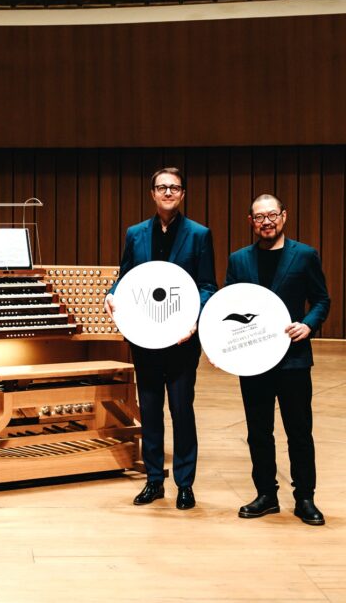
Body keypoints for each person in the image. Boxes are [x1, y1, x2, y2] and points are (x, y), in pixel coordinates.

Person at [105, 167, 216, 510]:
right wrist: (111, 295)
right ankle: (154, 480)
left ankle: (185, 483)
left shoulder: (199, 234)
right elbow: (125, 279)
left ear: (183, 194)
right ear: (152, 193)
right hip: (145, 339)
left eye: (174, 188)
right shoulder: (135, 234)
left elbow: (207, 286)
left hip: (182, 341)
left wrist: (194, 322)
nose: (168, 193)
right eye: (162, 187)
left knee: (182, 411)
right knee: (150, 411)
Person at [224, 193, 330, 526]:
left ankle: (305, 498)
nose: (266, 221)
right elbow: (227, 307)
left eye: (272, 215)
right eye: (259, 217)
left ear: (283, 216)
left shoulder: (305, 255)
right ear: (250, 222)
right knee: (258, 431)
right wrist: (220, 346)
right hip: (253, 360)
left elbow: (322, 300)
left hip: (293, 359)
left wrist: (308, 324)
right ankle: (266, 495)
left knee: (299, 431)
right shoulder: (239, 260)